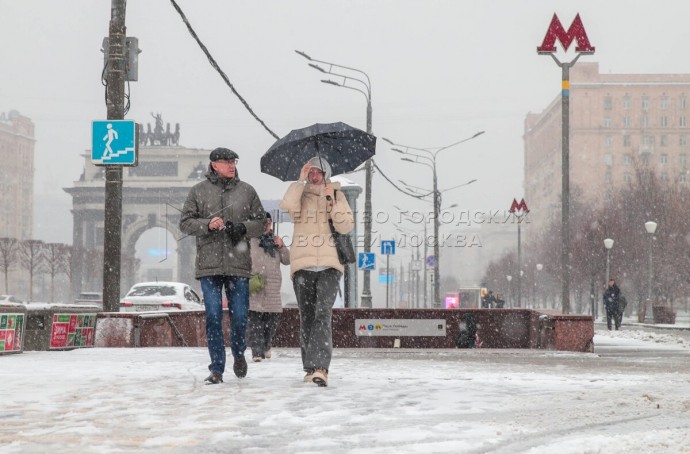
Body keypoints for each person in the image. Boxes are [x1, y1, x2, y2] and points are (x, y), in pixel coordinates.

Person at [179, 147, 266, 384]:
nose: (232, 165)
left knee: (239, 317)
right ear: (214, 165)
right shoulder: (198, 191)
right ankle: (216, 368)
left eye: (234, 161)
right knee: (213, 317)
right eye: (227, 161)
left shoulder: (247, 191)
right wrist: (207, 224)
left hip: (238, 265)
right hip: (209, 265)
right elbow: (185, 223)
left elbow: (261, 222)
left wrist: (243, 228)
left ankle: (238, 354)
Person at [279, 157, 354, 387]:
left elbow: (345, 226)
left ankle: (321, 367)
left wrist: (333, 201)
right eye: (310, 171)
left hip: (330, 265)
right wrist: (299, 181)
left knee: (323, 313)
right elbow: (287, 206)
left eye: (318, 171)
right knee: (307, 317)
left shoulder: (337, 195)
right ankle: (310, 367)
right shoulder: (300, 194)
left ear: (326, 174)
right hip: (303, 265)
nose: (314, 175)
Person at [248, 212, 290, 362]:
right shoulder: (250, 241)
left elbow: (287, 260)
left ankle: (266, 346)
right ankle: (257, 352)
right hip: (255, 287)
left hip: (272, 289)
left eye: (268, 222)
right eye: (263, 222)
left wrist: (282, 246)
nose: (266, 225)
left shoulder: (276, 240)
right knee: (255, 322)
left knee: (271, 323)